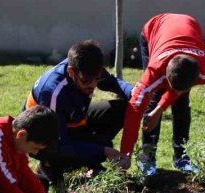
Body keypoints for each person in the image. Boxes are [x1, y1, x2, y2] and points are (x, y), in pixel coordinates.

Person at [24, 40, 133, 184]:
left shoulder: (87, 66)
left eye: (97, 78)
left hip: (74, 121)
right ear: (71, 71)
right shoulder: (53, 92)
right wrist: (103, 151)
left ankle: (90, 157)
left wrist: (135, 93)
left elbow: (112, 82)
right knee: (101, 147)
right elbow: (59, 143)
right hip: (46, 139)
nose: (93, 84)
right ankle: (49, 166)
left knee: (122, 109)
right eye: (86, 81)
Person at [119, 13, 205, 175]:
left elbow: (177, 91)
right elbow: (133, 112)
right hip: (155, 28)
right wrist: (125, 154)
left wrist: (161, 109)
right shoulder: (154, 73)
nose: (175, 92)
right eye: (172, 87)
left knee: (182, 103)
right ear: (166, 76)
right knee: (153, 98)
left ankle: (181, 157)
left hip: (189, 24)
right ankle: (148, 157)